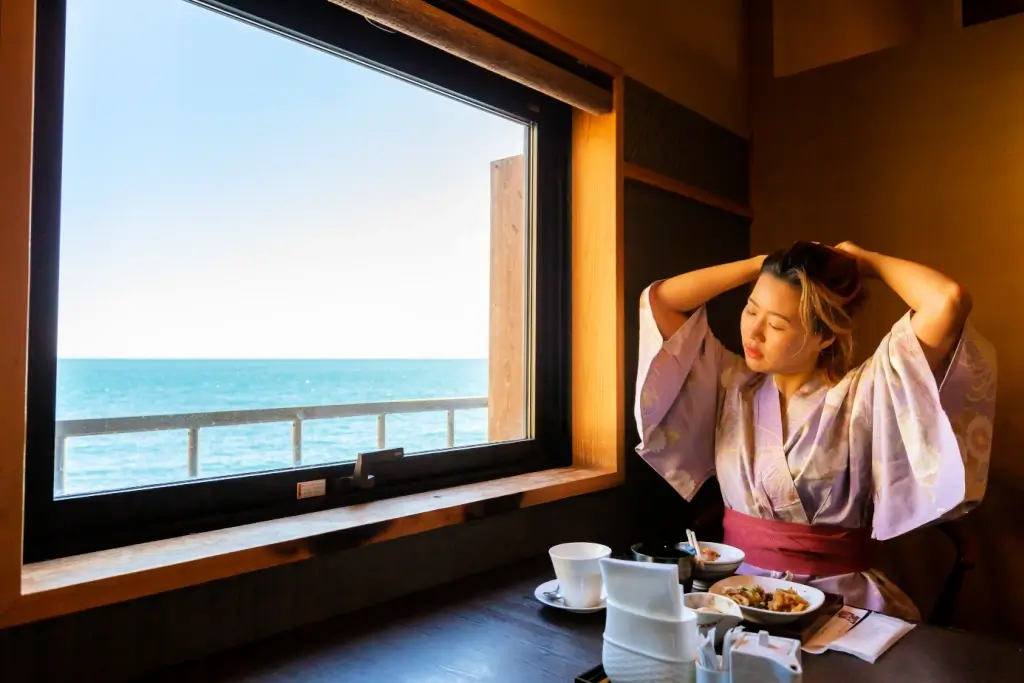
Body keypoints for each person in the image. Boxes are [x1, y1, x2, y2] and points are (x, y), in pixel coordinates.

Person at [635, 241, 996, 620]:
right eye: (751, 310)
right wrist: (764, 265)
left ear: (825, 336)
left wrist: (864, 262)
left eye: (776, 324)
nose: (754, 333)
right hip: (734, 591)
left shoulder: (865, 394)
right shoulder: (731, 384)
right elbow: (661, 301)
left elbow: (948, 300)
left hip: (836, 599)